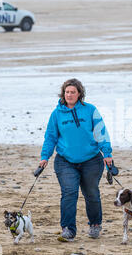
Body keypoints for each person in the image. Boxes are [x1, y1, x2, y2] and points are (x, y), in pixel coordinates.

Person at [39, 78, 113, 242]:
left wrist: (107, 153)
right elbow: (50, 137)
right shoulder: (56, 114)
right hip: (65, 161)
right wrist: (45, 157)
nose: (69, 95)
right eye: (67, 92)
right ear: (63, 94)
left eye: (73, 92)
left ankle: (95, 225)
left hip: (91, 160)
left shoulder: (90, 110)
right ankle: (68, 229)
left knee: (91, 193)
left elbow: (101, 132)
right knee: (69, 193)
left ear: (79, 94)